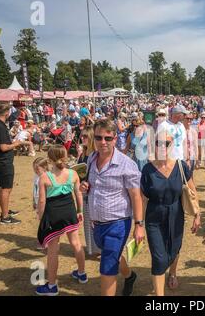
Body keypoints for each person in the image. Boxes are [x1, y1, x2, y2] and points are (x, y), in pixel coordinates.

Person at [80, 119, 144, 296]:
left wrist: (139, 225)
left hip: (117, 223)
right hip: (96, 223)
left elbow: (136, 196)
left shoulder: (126, 164)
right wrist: (85, 187)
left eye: (107, 138)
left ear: (115, 139)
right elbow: (90, 184)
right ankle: (129, 276)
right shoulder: (91, 159)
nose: (102, 142)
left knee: (107, 268)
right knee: (112, 256)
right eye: (99, 138)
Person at [140, 131, 200, 296]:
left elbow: (193, 192)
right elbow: (143, 199)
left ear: (172, 144)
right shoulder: (147, 169)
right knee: (159, 258)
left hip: (176, 214)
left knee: (174, 248)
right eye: (157, 143)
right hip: (154, 216)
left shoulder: (181, 166)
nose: (161, 146)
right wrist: (139, 224)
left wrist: (197, 215)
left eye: (165, 143)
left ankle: (172, 272)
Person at [36, 145, 86, 296]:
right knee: (76, 243)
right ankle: (82, 273)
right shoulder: (73, 174)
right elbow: (78, 194)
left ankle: (52, 286)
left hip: (53, 215)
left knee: (53, 249)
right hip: (70, 212)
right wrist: (79, 211)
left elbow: (42, 202)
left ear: (49, 159)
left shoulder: (44, 177)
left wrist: (41, 216)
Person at [0, 103, 25, 225]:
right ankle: (5, 217)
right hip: (3, 161)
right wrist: (17, 143)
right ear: (6, 113)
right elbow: (4, 147)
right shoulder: (0, 127)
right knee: (6, 188)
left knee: (1, 187)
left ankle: (4, 211)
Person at [77, 126, 101, 257]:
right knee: (87, 222)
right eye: (81, 136)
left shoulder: (96, 155)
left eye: (85, 136)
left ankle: (100, 248)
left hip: (95, 192)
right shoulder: (82, 153)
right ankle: (92, 249)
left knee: (96, 221)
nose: (82, 138)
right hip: (84, 191)